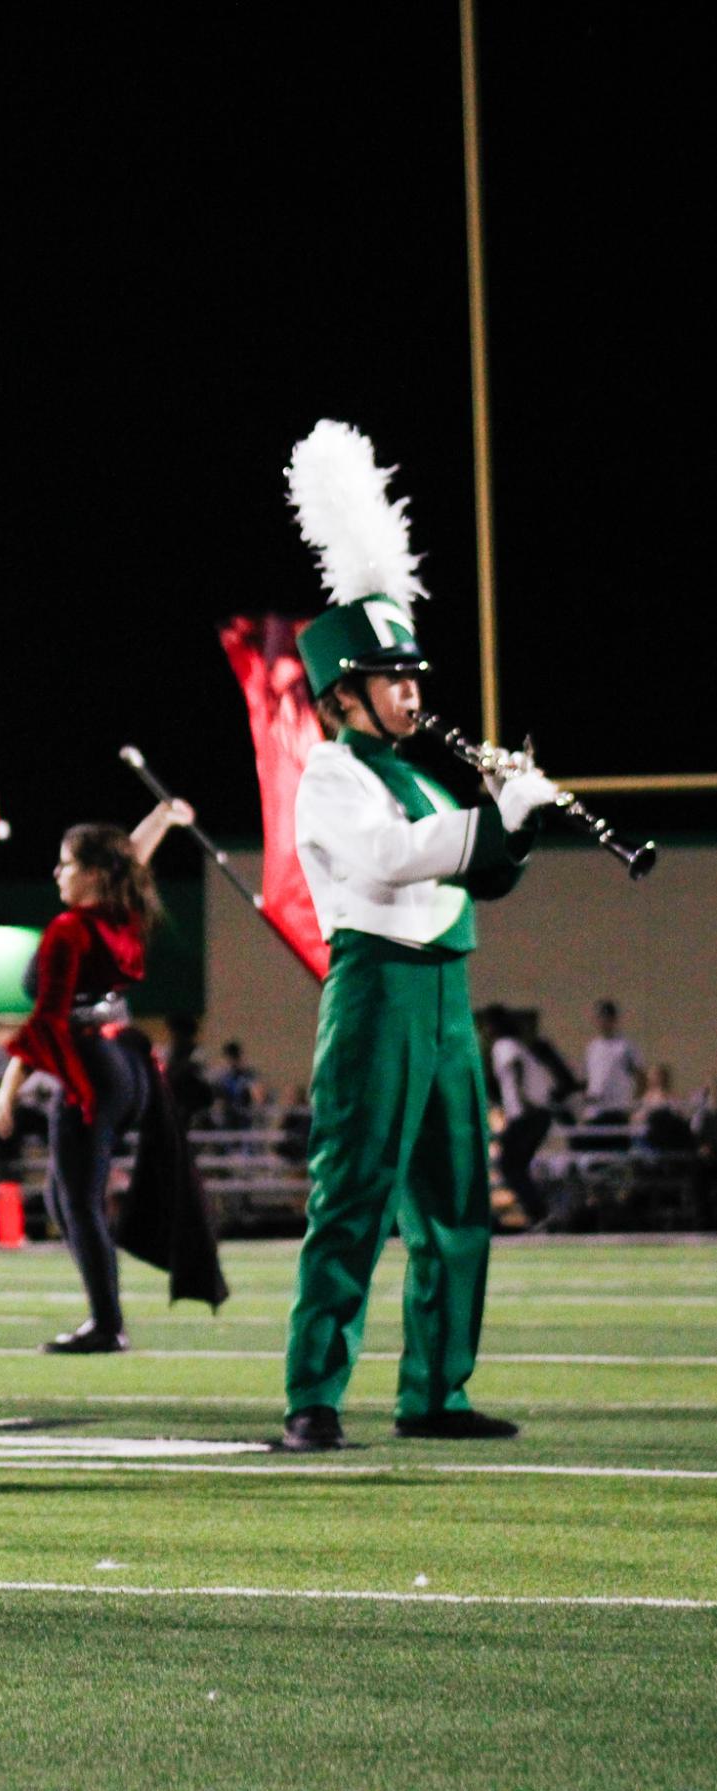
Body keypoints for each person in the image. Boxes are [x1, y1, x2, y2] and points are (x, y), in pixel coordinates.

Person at [276, 419, 560, 1451]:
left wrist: (509, 824)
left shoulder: (425, 772)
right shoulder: (332, 773)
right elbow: (397, 859)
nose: (413, 693)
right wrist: (496, 821)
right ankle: (315, 1393)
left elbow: (475, 865)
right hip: (378, 988)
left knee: (456, 1201)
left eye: (413, 677)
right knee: (351, 1193)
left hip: (446, 989)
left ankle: (435, 1390)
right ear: (344, 691)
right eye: (393, 679)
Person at [0, 801, 203, 1351]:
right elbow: (127, 861)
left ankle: (107, 1324)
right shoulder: (122, 914)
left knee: (77, 1201)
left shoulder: (71, 928)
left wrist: (7, 1089)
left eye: (66, 864)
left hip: (90, 1069)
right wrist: (159, 819)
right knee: (64, 1197)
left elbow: (48, 1020)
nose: (57, 873)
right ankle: (104, 1313)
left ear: (93, 874)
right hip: (125, 1065)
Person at [486, 1006, 555, 1226]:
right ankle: (538, 1212)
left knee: (508, 1165)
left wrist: (522, 1101)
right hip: (535, 1113)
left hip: (528, 1113)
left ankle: (538, 1212)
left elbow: (514, 1068)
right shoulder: (517, 1045)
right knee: (516, 1166)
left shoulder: (503, 1045)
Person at [583, 1000, 642, 1124]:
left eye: (608, 1018)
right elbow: (589, 1078)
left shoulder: (626, 1046)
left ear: (614, 1019)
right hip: (595, 1111)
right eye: (600, 1018)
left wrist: (633, 1106)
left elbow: (639, 1076)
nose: (604, 1022)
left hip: (618, 1110)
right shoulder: (592, 1047)